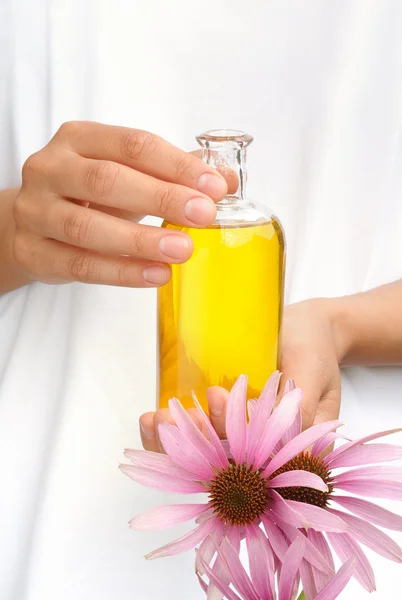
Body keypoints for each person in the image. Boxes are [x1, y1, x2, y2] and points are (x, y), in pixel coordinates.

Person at [1, 2, 401, 600]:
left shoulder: (261, 230)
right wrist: (13, 230)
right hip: (32, 485)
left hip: (317, 485)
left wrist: (337, 326)